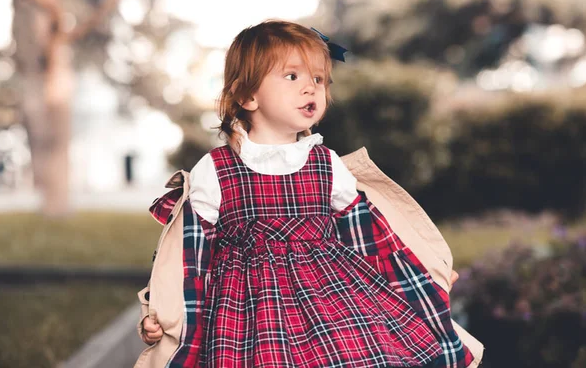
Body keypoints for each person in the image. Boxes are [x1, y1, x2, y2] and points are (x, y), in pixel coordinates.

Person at [135, 20, 483, 368]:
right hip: (250, 316)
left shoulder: (327, 164)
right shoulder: (216, 170)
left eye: (319, 79)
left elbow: (373, 239)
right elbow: (187, 259)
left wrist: (424, 274)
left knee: (360, 356)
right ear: (247, 96)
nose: (311, 89)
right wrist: (161, 313)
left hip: (333, 301)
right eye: (292, 77)